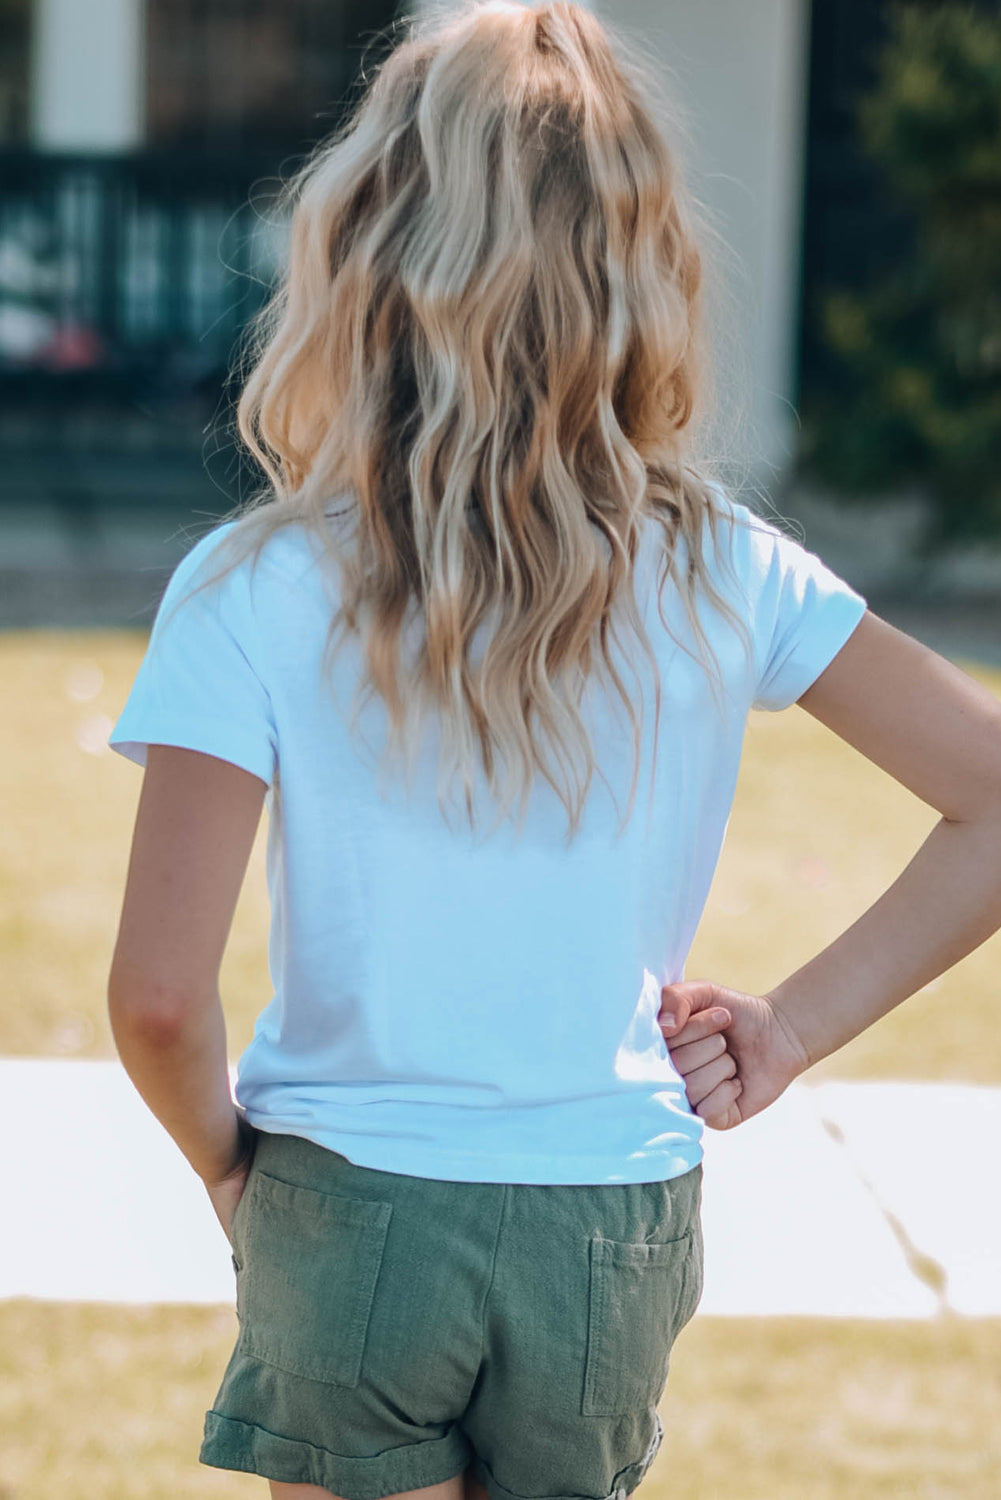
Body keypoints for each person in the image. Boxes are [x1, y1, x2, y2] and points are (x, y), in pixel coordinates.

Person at [105, 4, 1001, 1499]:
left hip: (349, 1205)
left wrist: (229, 1171)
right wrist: (788, 1028)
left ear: (360, 248)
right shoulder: (724, 566)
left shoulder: (250, 584)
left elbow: (153, 1000)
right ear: (639, 267)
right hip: (611, 1224)